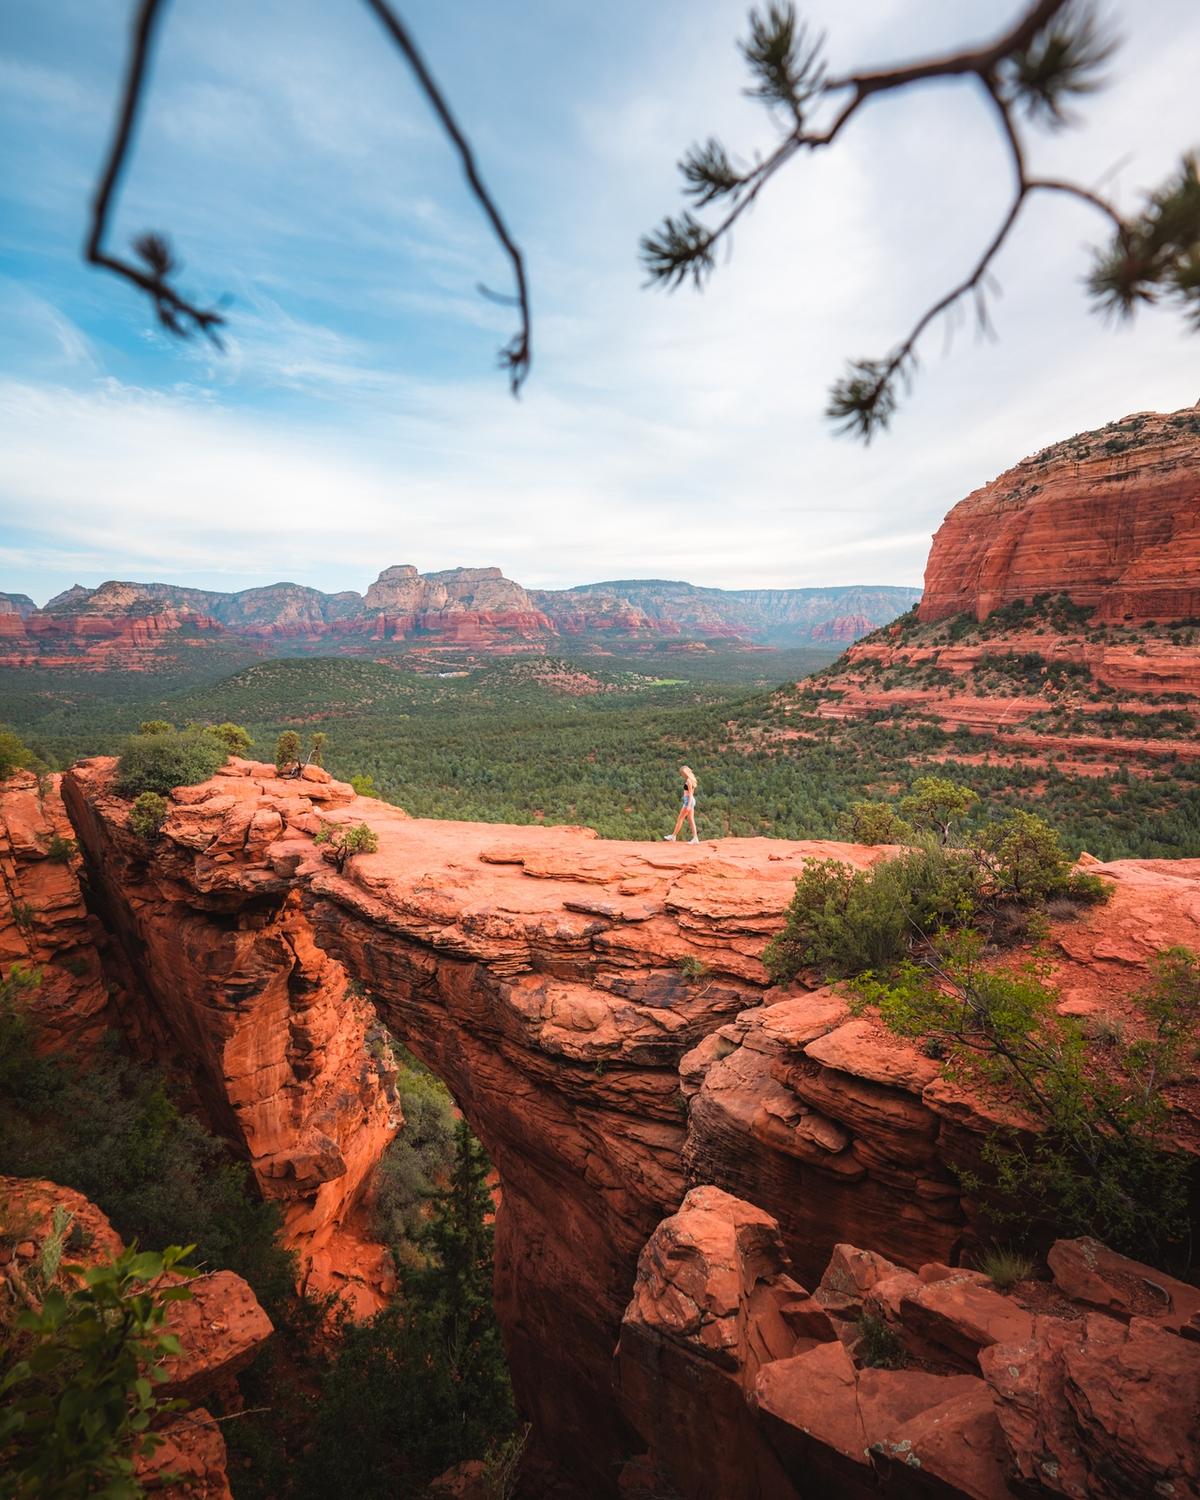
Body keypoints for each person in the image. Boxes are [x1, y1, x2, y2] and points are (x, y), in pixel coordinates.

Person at [664, 765, 699, 843]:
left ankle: (673, 836)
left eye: (683, 772)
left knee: (680, 819)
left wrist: (689, 805)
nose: (682, 774)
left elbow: (690, 794)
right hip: (691, 800)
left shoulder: (689, 781)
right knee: (691, 820)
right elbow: (692, 794)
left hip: (688, 801)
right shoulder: (692, 779)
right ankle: (695, 838)